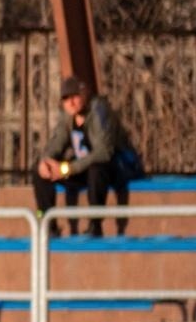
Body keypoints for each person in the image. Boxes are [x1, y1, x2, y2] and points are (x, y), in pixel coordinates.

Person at [32, 75, 143, 238]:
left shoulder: (99, 111)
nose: (71, 103)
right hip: (84, 168)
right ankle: (48, 224)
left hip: (116, 168)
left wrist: (69, 168)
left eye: (75, 97)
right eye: (66, 99)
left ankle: (95, 225)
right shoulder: (67, 116)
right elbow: (56, 143)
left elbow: (104, 152)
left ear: (84, 95)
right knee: (39, 170)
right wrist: (46, 161)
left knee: (96, 169)